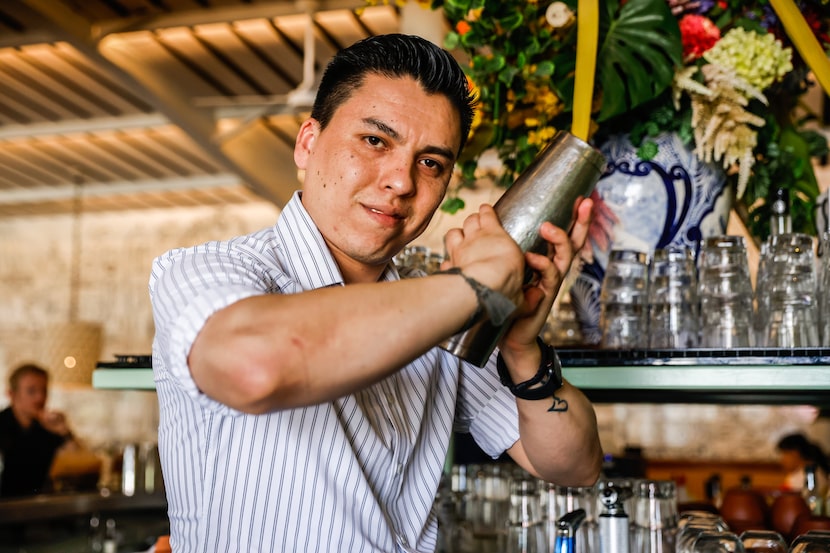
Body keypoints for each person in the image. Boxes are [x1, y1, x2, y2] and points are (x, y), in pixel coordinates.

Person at [149, 33, 603, 552]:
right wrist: (477, 287)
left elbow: (574, 466)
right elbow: (255, 365)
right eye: (374, 141)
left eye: (431, 163)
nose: (402, 181)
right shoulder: (206, 270)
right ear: (307, 143)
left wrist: (522, 349)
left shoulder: (438, 302)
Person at [0, 363, 77, 497]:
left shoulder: (48, 428)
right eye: (31, 391)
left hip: (37, 506)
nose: (40, 398)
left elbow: (78, 464)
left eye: (44, 391)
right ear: (11, 394)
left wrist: (64, 431)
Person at [777, 432, 829, 497]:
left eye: (784, 454)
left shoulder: (809, 475)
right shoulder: (812, 471)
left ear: (795, 453)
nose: (782, 460)